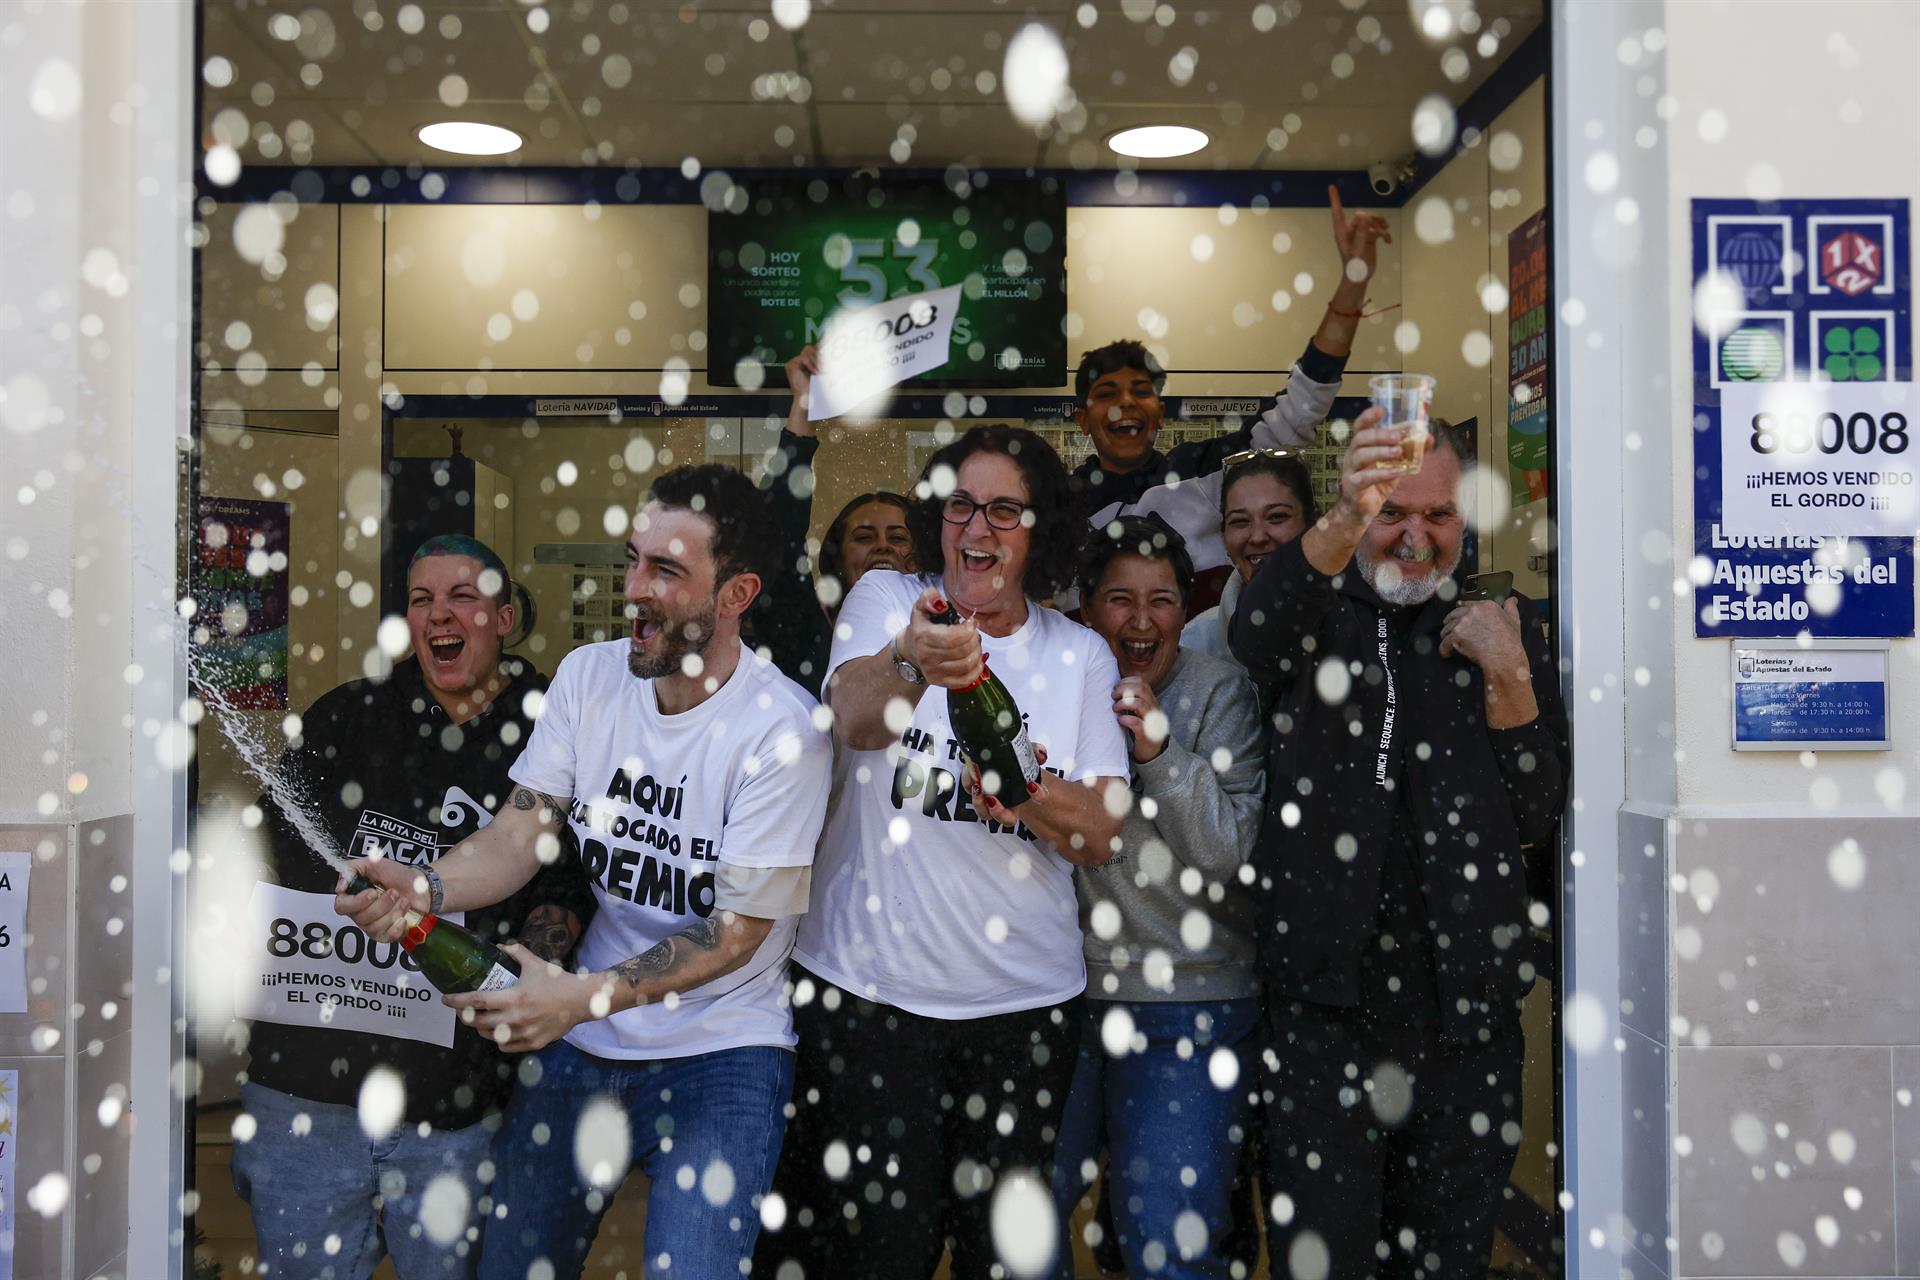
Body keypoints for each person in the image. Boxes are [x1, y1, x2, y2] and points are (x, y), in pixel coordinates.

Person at [339, 467, 833, 1280]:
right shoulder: (588, 677)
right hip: (588, 1037)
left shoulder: (783, 733)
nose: (634, 590)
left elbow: (739, 931)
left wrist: (585, 996)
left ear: (737, 592)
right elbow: (518, 833)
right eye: (633, 560)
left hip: (725, 1047)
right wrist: (425, 887)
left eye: (666, 572)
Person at [753, 425, 1132, 1280]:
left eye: (1004, 509)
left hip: (1023, 1013)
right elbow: (851, 718)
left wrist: (1028, 794)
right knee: (877, 1253)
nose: (977, 529)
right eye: (961, 505)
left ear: (1040, 533)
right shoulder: (893, 600)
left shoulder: (1077, 656)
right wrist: (911, 659)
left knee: (1003, 1256)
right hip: (869, 1004)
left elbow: (1103, 831)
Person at [1229, 412, 1569, 1277]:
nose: (1415, 538)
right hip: (1323, 1021)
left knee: (1446, 1259)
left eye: (1439, 516)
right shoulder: (1316, 612)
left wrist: (1510, 677)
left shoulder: (1508, 628)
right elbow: (1254, 633)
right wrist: (1346, 515)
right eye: (1393, 512)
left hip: (1467, 1027)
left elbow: (1537, 812)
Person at [236, 534, 595, 1280]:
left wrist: (522, 973)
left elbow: (566, 888)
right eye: (422, 599)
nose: (440, 615)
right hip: (308, 1090)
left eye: (462, 596)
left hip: (456, 1104)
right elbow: (262, 855)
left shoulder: (552, 727)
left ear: (503, 614)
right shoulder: (348, 716)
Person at [1050, 515, 1268, 1280]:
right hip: (1062, 996)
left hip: (1191, 1005)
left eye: (1163, 600)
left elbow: (1228, 853)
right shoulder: (1056, 681)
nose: (1141, 620)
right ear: (1086, 607)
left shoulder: (1221, 693)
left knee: (1168, 1250)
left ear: (1185, 608)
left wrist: (1159, 751)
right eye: (1119, 599)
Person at [1066, 187, 1392, 614]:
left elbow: (1301, 404)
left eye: (1141, 393)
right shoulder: (1056, 509)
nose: (1125, 404)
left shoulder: (1207, 472)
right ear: (1083, 420)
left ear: (1160, 415)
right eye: (1106, 394)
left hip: (1215, 678)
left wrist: (1353, 283)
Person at [752, 344, 917, 695]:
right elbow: (776, 539)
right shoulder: (803, 633)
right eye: (864, 536)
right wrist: (805, 407)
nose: (883, 546)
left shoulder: (948, 641)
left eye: (899, 537)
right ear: (836, 556)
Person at [1183, 449, 1317, 665]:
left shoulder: (1362, 628)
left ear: (1313, 525)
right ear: (1223, 536)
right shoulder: (1195, 647)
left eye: (1277, 517)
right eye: (1240, 521)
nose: (1257, 537)